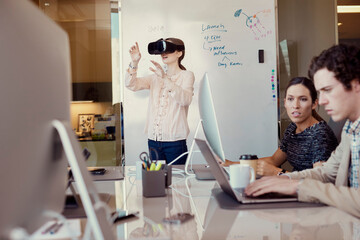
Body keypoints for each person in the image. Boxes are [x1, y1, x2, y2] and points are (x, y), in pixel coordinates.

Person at [245, 44, 360, 218]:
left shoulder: (325, 132)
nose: (321, 101)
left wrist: (297, 187)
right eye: (320, 93)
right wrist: (285, 180)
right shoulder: (350, 130)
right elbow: (326, 173)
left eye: (328, 90)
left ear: (356, 84)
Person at [125, 38, 195, 165]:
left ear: (179, 53)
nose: (164, 53)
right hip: (153, 141)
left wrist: (165, 78)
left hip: (175, 142)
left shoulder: (187, 75)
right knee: (157, 182)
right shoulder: (154, 77)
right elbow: (131, 85)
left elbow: (185, 99)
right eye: (162, 50)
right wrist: (134, 62)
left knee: (177, 181)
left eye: (168, 49)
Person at [257, 77, 338, 176]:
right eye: (290, 99)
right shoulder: (292, 129)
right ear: (285, 102)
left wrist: (277, 173)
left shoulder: (320, 134)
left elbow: (319, 180)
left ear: (314, 104)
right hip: (292, 188)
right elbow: (273, 160)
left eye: (303, 99)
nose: (295, 105)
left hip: (308, 190)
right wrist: (233, 165)